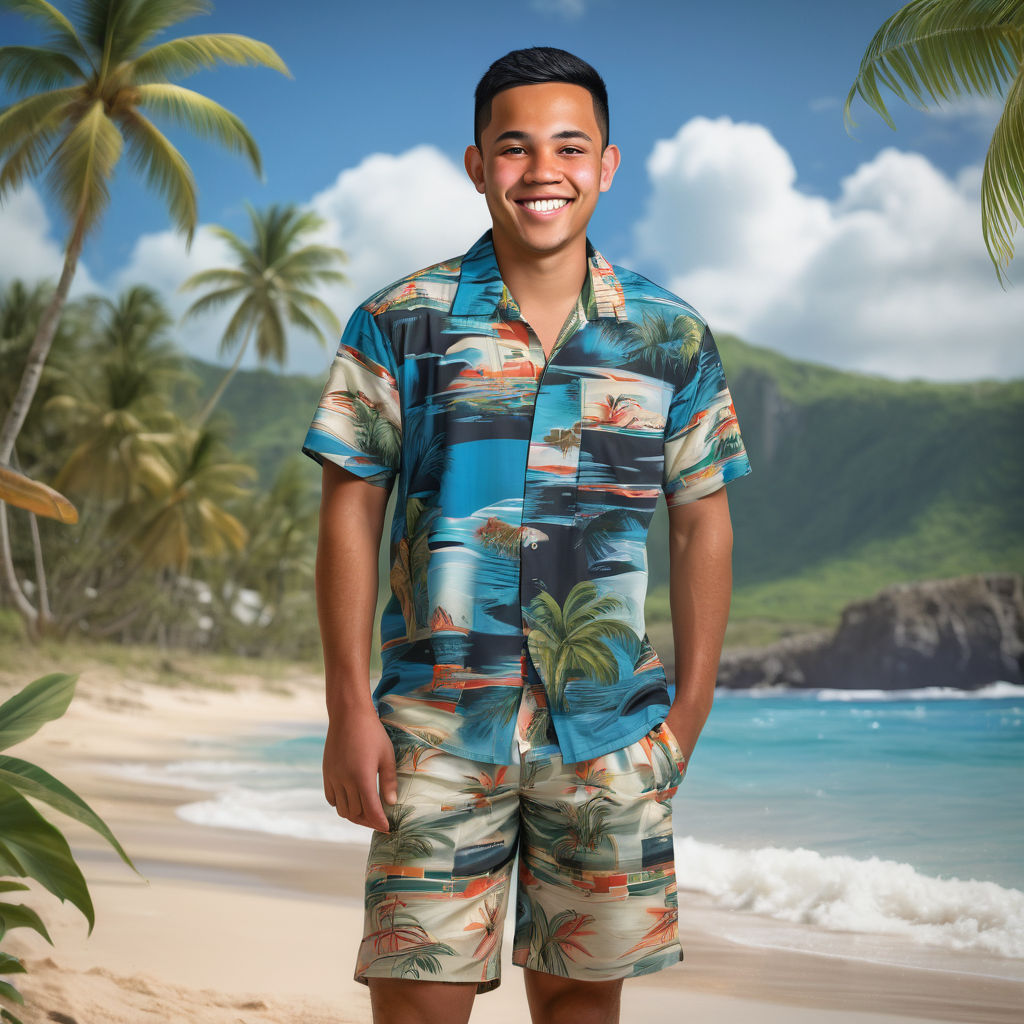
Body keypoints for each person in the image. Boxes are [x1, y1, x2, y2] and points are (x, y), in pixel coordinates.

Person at [302, 46, 752, 1024]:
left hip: (610, 733)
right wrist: (347, 707)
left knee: (581, 1006)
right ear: (477, 165)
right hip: (432, 730)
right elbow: (350, 511)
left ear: (607, 165)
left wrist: (689, 713)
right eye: (514, 147)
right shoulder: (397, 323)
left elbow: (701, 521)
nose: (542, 169)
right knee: (416, 1000)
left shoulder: (670, 338)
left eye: (569, 146)